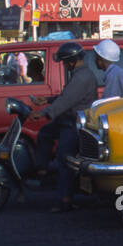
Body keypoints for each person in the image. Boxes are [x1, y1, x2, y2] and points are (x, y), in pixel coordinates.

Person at [31, 43, 98, 212]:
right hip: (67, 118)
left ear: (70, 62)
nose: (62, 65)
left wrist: (45, 112)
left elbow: (67, 101)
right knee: (45, 133)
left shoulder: (82, 77)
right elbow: (66, 96)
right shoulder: (78, 74)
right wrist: (47, 100)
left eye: (63, 62)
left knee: (64, 158)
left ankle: (65, 199)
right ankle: (42, 171)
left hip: (74, 122)